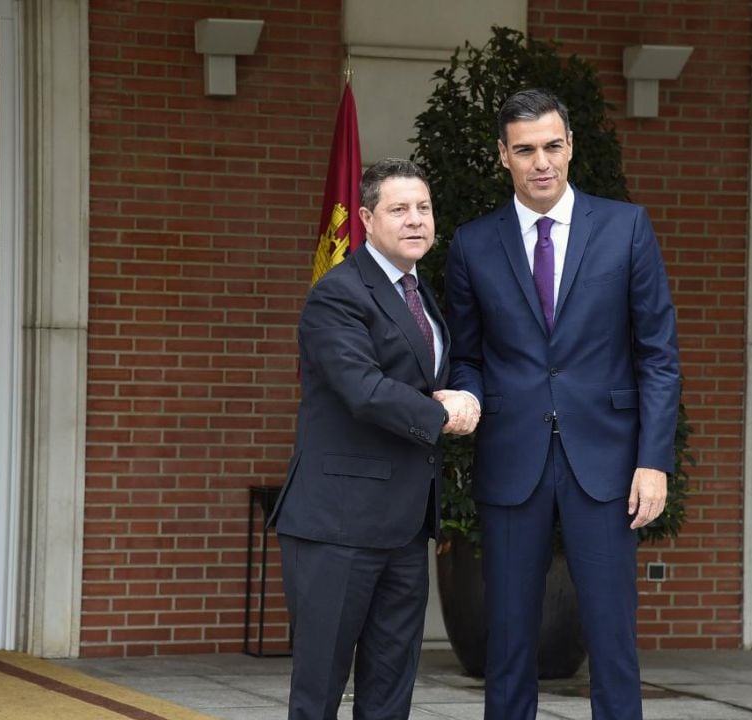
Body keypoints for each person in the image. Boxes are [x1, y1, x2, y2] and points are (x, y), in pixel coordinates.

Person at [443, 88, 680, 720]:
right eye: (524, 150)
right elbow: (466, 353)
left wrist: (653, 461)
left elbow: (657, 354)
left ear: (570, 146)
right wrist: (467, 392)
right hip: (512, 456)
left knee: (611, 637)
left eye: (552, 146)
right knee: (508, 640)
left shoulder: (626, 227)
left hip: (604, 461)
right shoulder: (472, 244)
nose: (540, 161)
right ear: (504, 156)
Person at [272, 157, 478, 720]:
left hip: (405, 525)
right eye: (399, 209)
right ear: (365, 217)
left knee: (391, 690)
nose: (416, 221)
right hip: (337, 525)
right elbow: (362, 388)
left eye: (424, 208)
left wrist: (467, 395)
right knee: (319, 692)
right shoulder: (337, 294)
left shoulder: (422, 293)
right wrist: (442, 415)